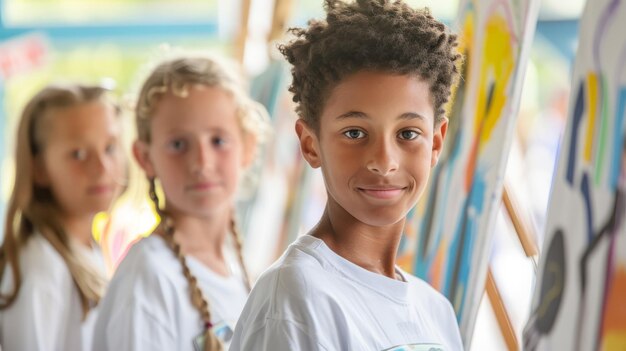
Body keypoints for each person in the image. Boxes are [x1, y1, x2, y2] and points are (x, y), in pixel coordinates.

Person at [230, 0, 464, 350]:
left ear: (436, 142)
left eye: (408, 134)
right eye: (355, 133)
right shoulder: (297, 298)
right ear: (311, 144)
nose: (384, 162)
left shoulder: (436, 311)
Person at [92, 55, 270, 351]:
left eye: (218, 140)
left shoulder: (233, 264)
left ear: (248, 147)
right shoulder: (150, 278)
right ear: (145, 158)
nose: (201, 163)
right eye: (178, 144)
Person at [0, 84, 126, 351]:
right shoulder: (41, 268)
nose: (102, 167)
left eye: (110, 148)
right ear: (39, 168)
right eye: (78, 154)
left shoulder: (83, 249)